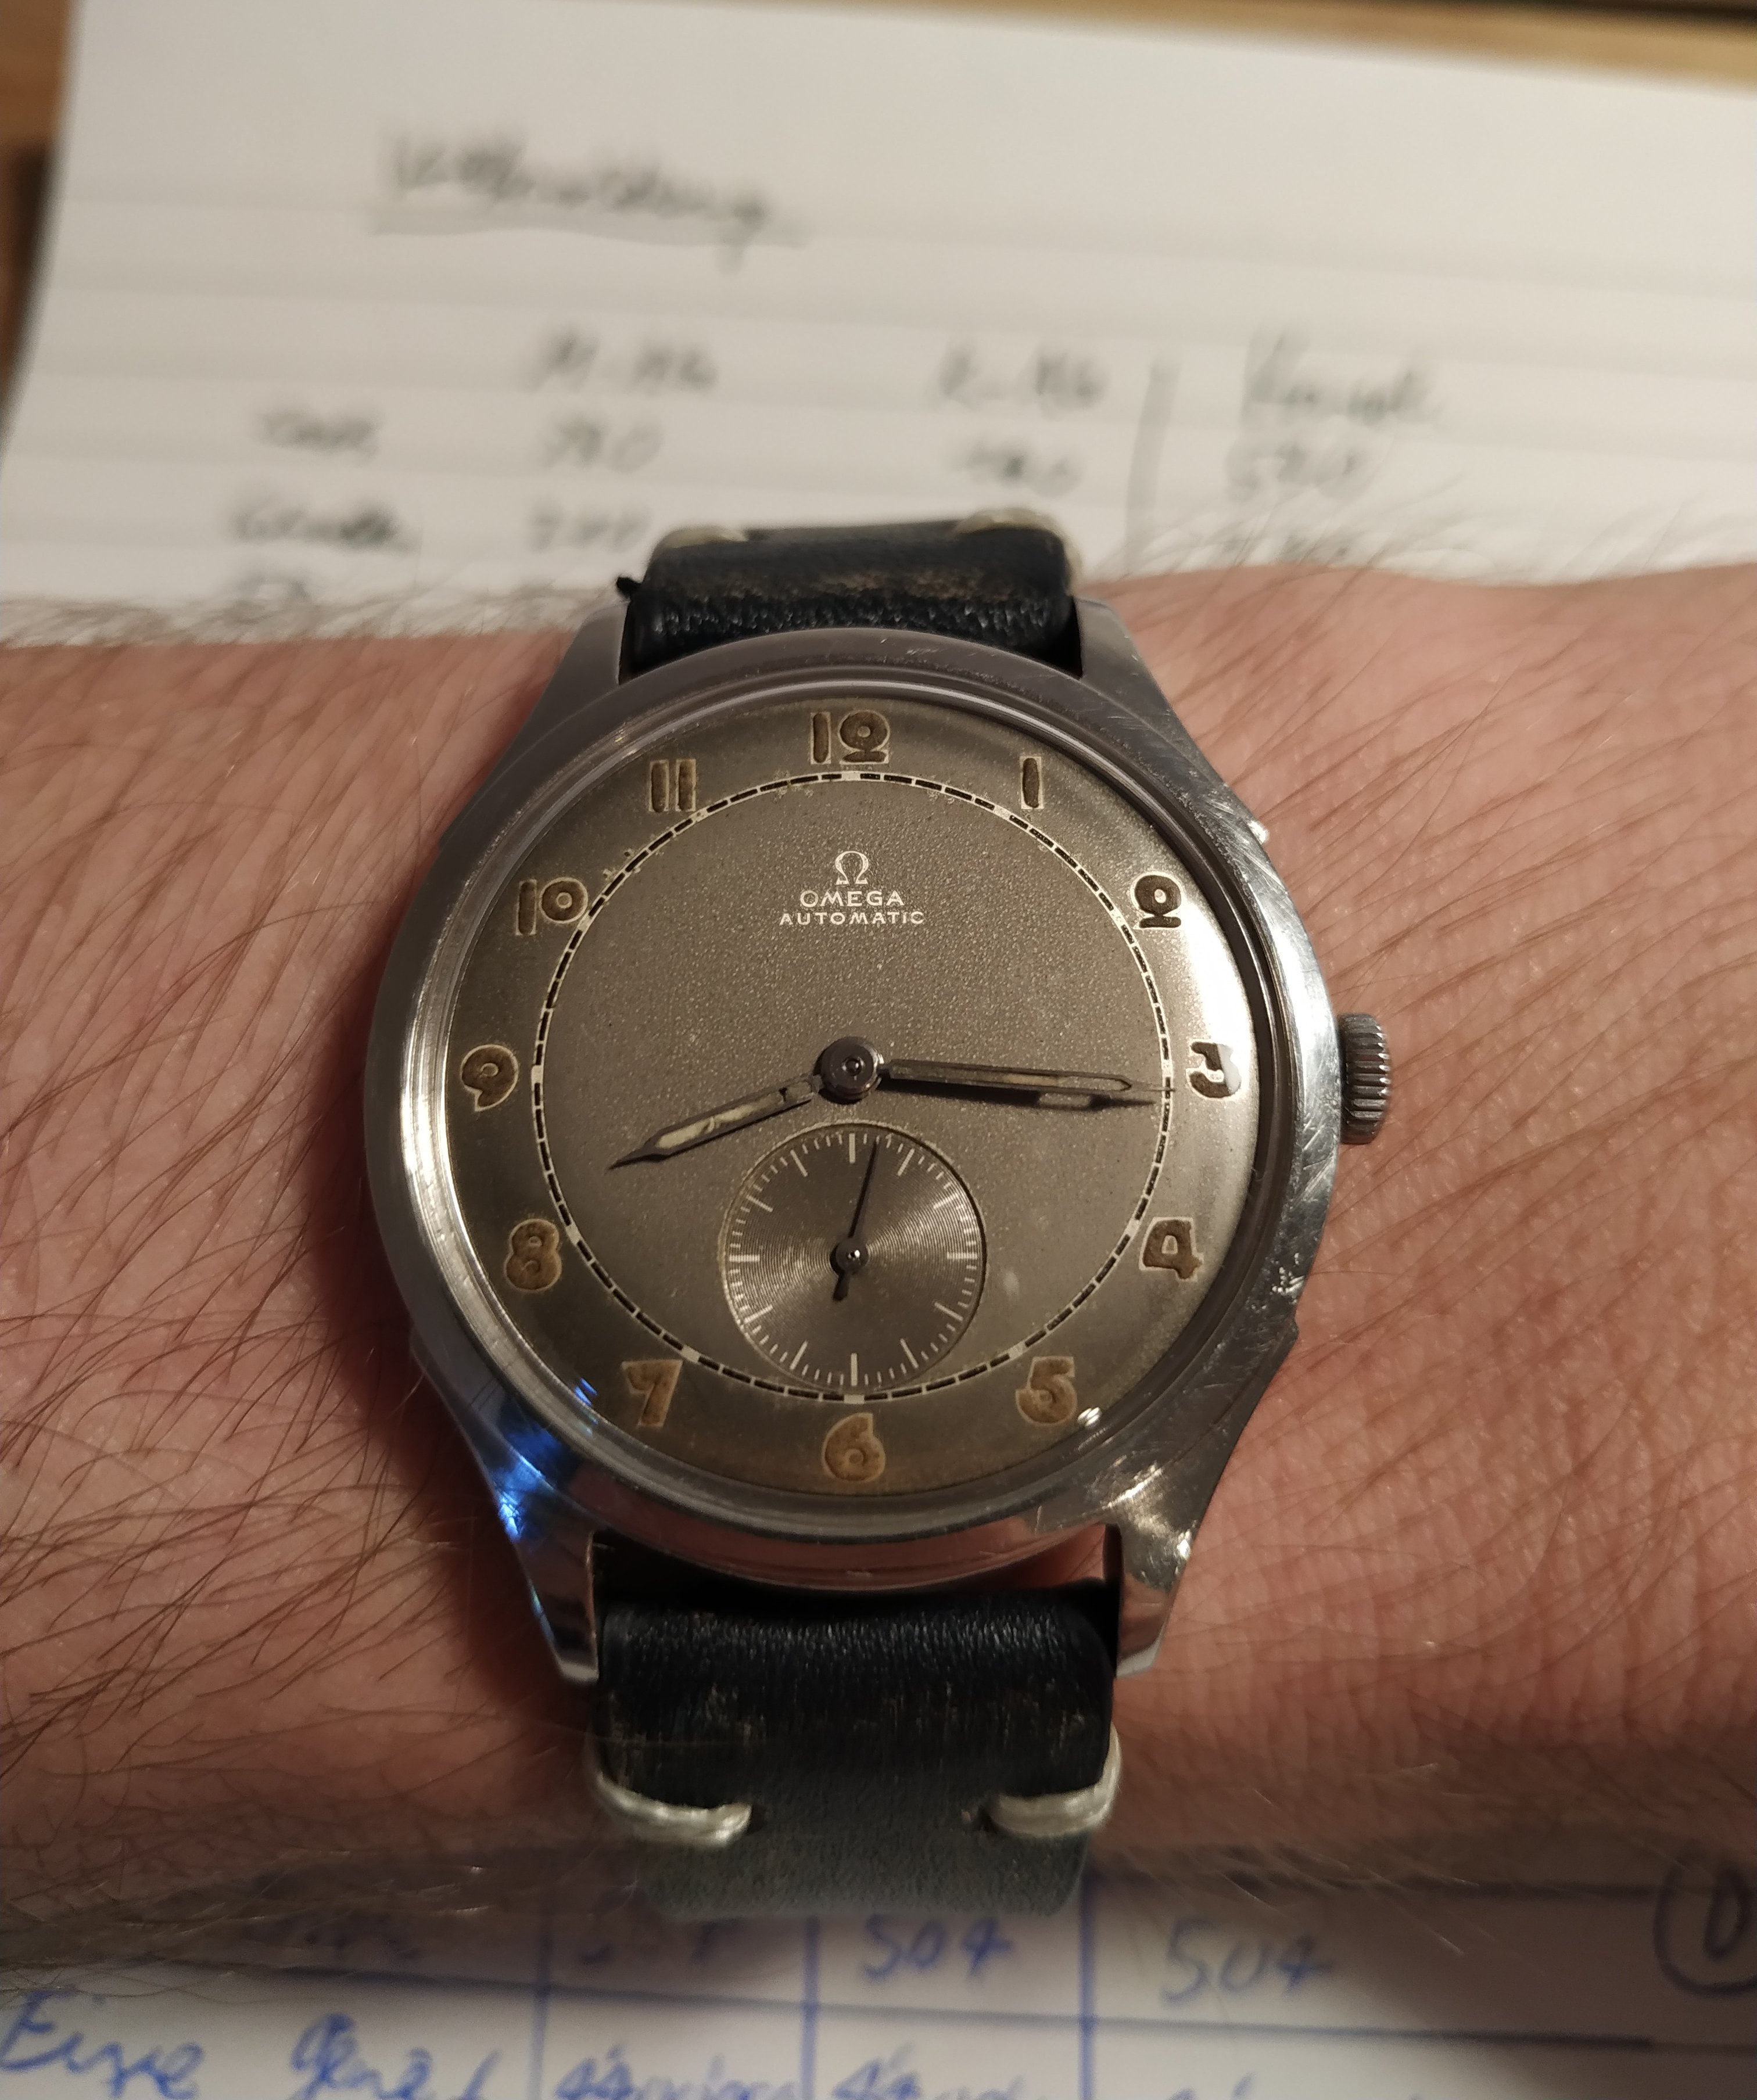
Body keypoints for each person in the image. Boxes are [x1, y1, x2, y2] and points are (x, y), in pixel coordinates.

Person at [4, 563, 1752, 1953]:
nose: (849, 1071)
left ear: (1324, 1086)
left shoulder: (1133, 1439)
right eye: (842, 1072)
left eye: (862, 1073)